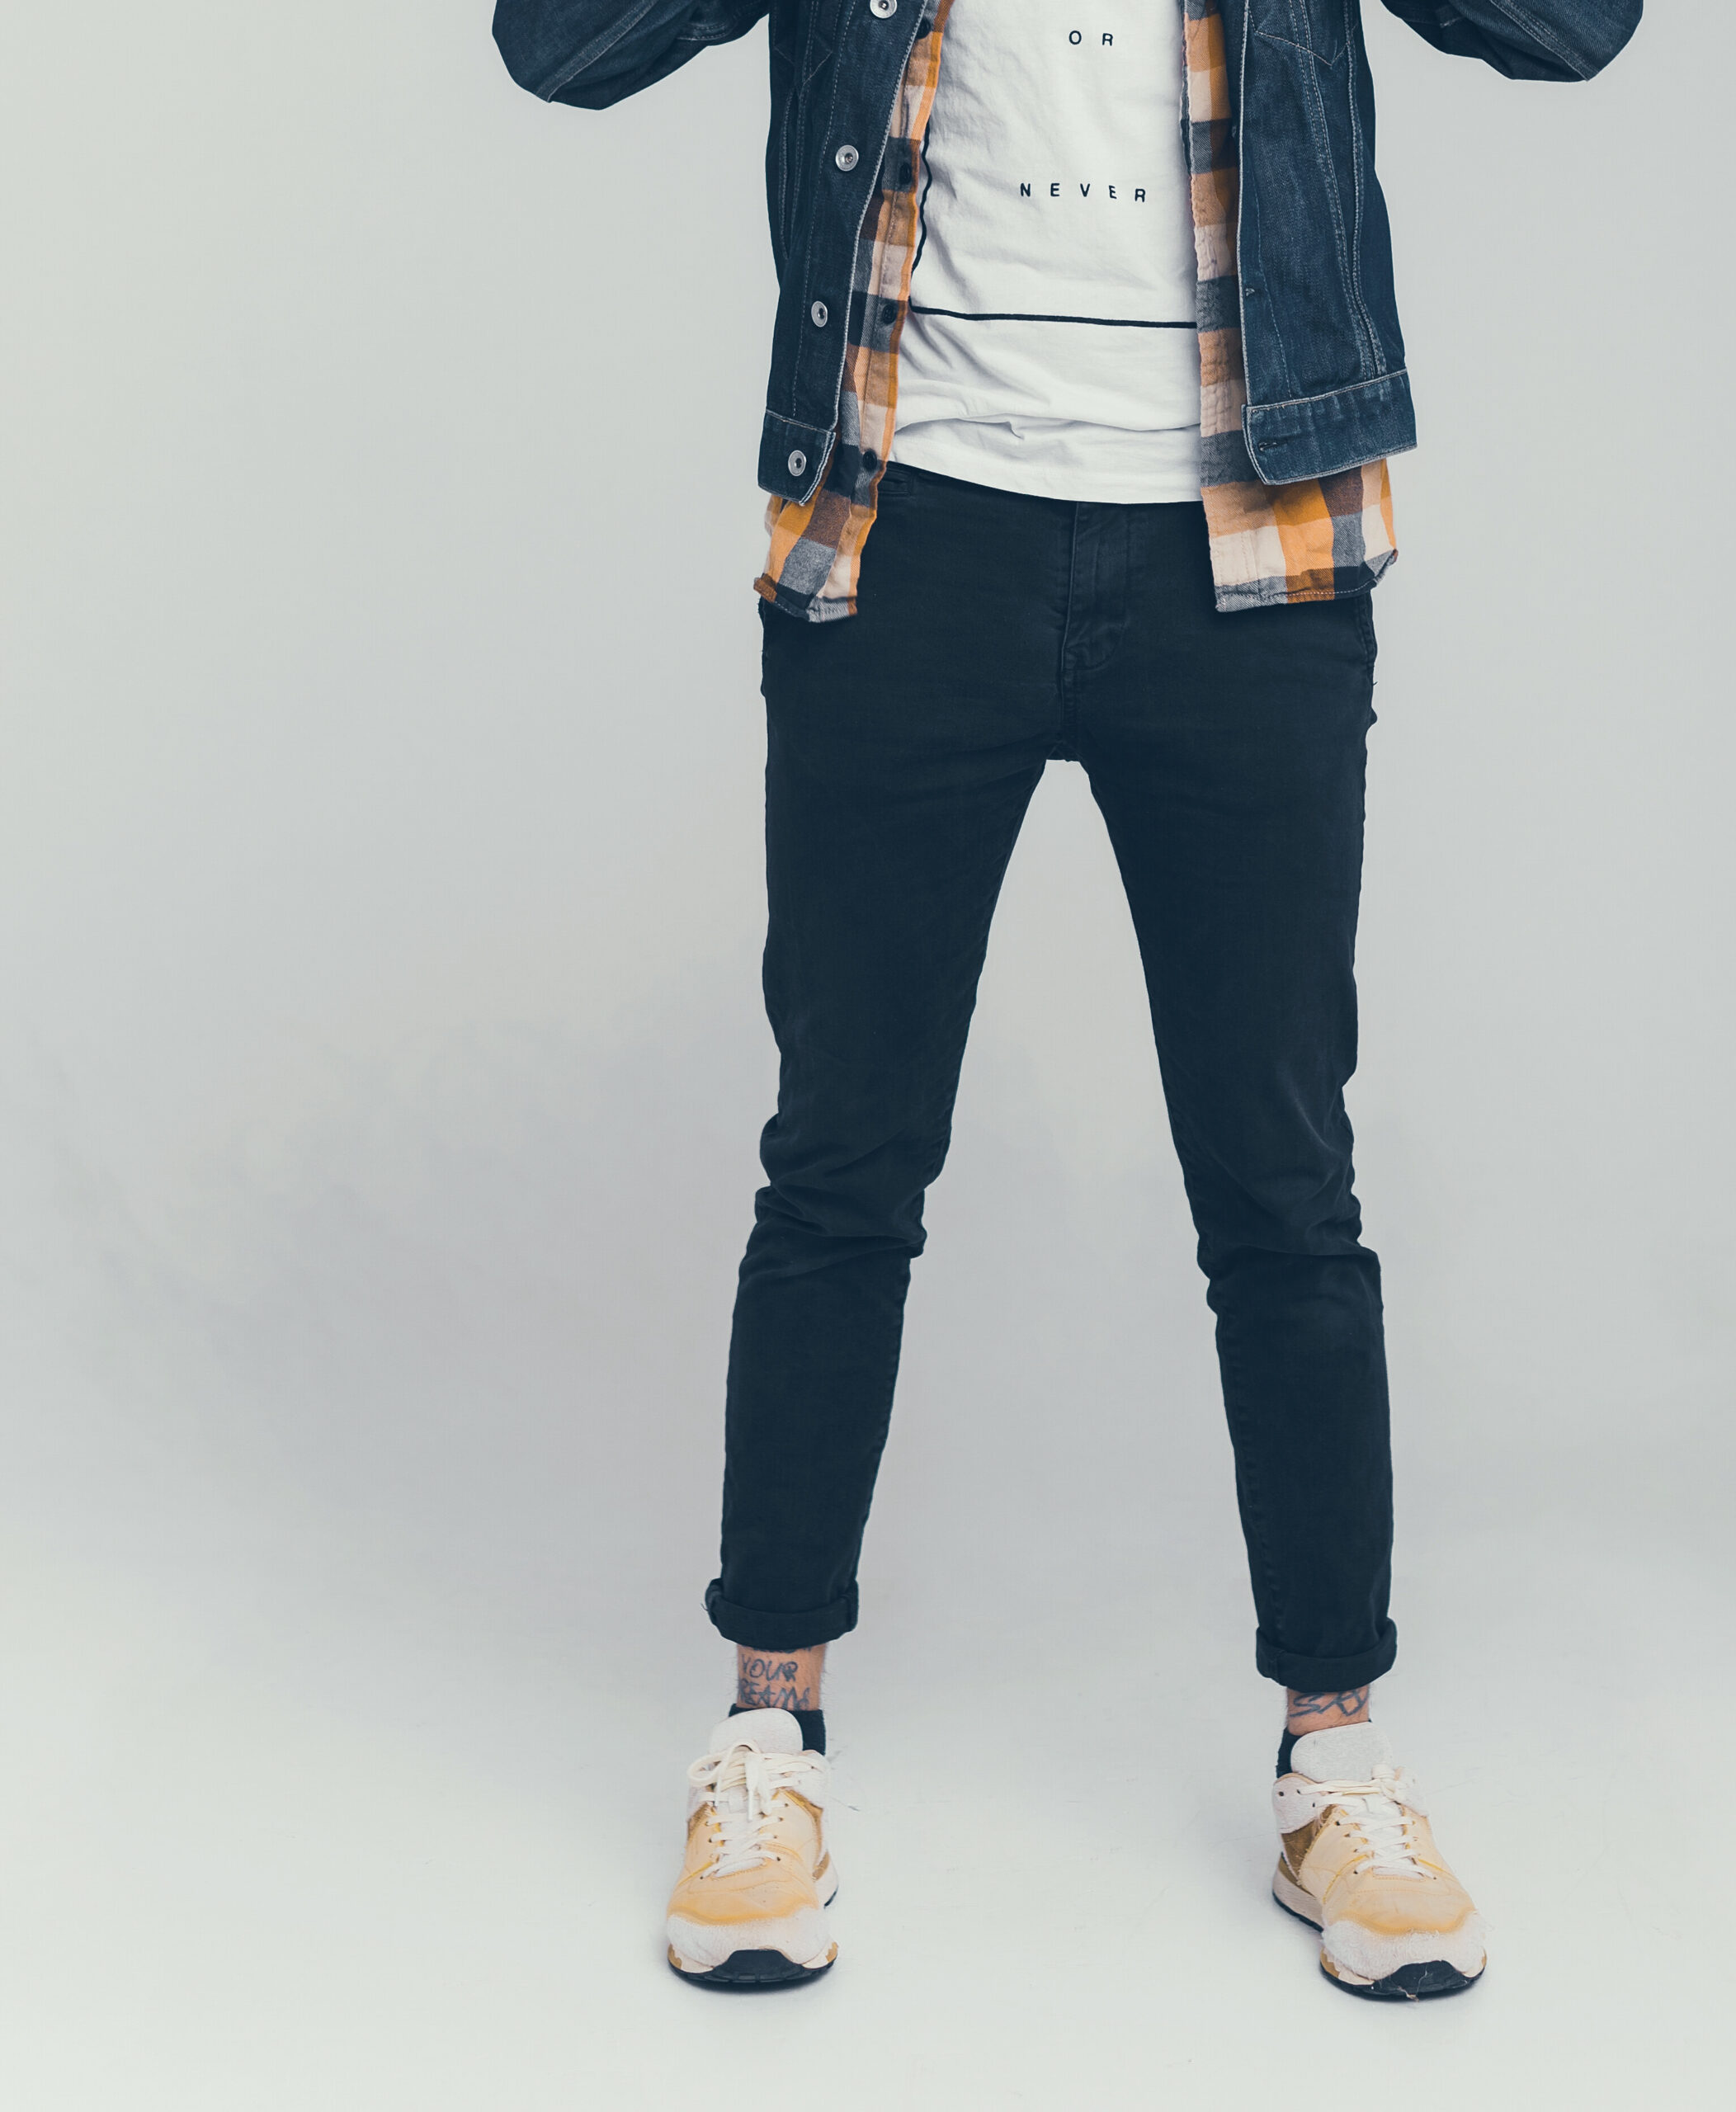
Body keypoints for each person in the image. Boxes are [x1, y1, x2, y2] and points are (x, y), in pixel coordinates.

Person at [493, 0, 1643, 2000]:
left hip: (1245, 542)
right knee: (842, 1155)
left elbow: (1570, 29)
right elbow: (558, 46)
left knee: (1278, 1176)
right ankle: (767, 1733)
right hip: (905, 526)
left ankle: (1334, 1761)